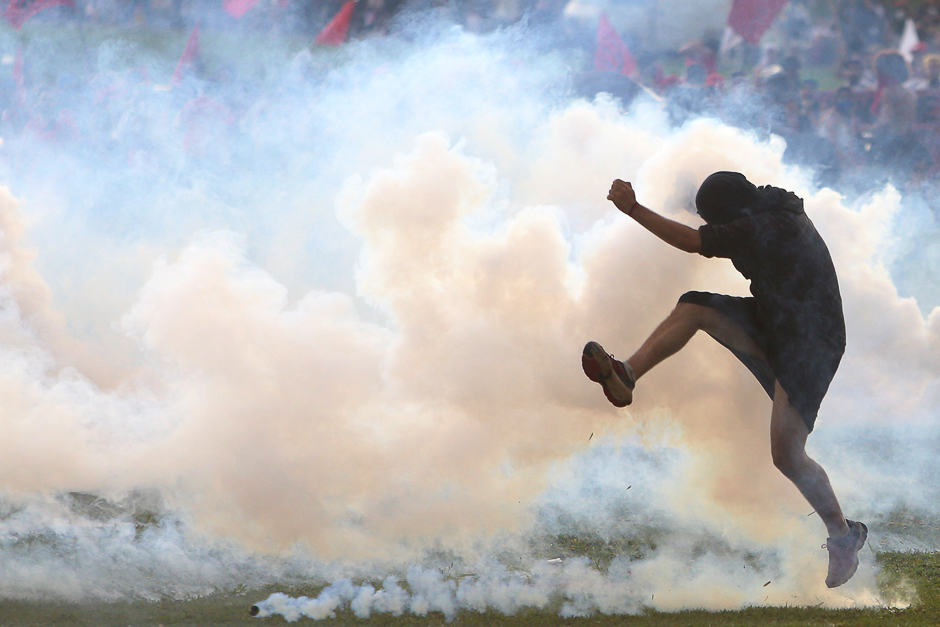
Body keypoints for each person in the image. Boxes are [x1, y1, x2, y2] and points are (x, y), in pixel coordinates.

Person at [582, 172, 867, 588]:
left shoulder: (763, 225)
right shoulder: (762, 205)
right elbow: (717, 213)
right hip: (775, 321)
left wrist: (633, 209)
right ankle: (626, 374)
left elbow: (696, 242)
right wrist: (682, 193)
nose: (717, 227)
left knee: (787, 455)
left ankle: (845, 537)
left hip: (812, 342)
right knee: (693, 307)